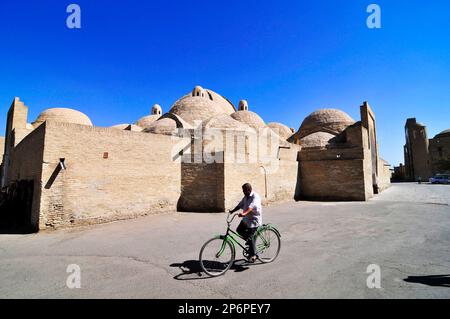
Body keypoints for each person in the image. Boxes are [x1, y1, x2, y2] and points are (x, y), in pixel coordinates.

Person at [229, 183, 262, 263]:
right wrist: (233, 211)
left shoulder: (255, 196)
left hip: (254, 220)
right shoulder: (246, 197)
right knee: (239, 230)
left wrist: (244, 213)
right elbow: (240, 205)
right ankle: (251, 243)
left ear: (249, 190)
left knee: (250, 237)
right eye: (243, 190)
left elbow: (251, 207)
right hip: (246, 219)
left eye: (244, 190)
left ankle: (254, 254)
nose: (243, 192)